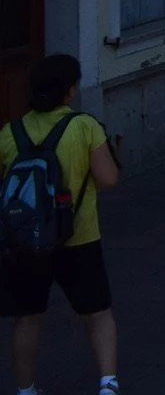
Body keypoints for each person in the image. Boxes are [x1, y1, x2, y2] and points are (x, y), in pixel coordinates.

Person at [2, 54, 122, 395]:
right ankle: (108, 384)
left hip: (24, 242)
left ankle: (26, 390)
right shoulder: (84, 127)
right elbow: (108, 178)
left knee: (27, 318)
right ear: (69, 92)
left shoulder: (10, 134)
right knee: (97, 313)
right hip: (78, 237)